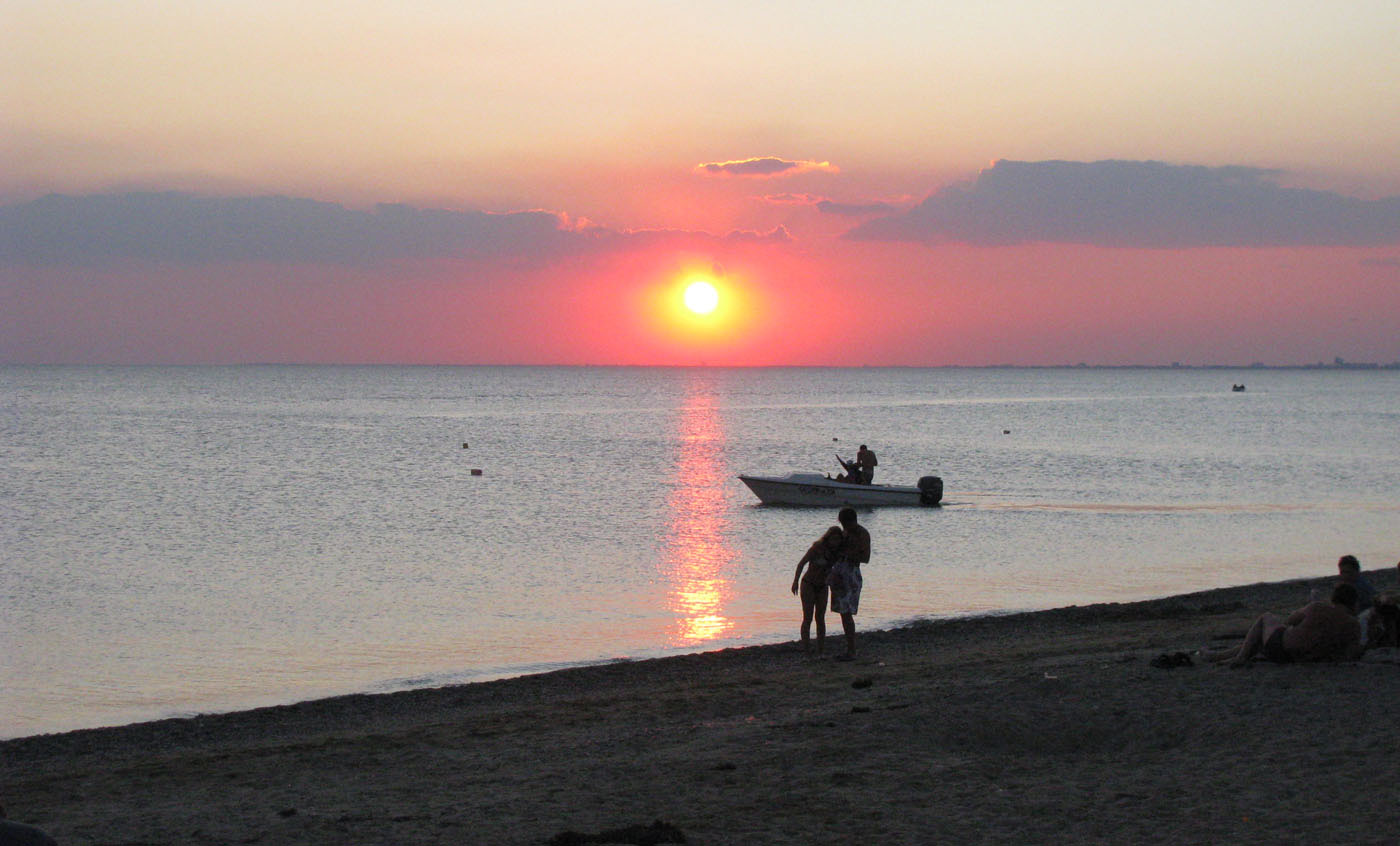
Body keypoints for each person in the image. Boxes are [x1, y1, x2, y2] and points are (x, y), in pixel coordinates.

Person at [1204, 583, 1362, 667]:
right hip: (1308, 658)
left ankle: (1239, 658)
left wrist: (1311, 606)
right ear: (1353, 603)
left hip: (1283, 649)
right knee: (1258, 639)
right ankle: (1220, 656)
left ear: (1334, 599)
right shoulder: (1354, 626)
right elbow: (1351, 654)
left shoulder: (1318, 608)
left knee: (1266, 618)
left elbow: (1290, 620)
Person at [791, 526, 844, 655]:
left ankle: (821, 650)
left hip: (823, 586)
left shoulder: (837, 553)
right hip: (808, 584)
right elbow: (801, 564)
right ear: (828, 538)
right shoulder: (817, 548)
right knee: (807, 617)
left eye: (838, 539)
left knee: (820, 618)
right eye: (833, 538)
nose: (835, 542)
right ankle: (806, 649)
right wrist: (795, 581)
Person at [827, 507, 871, 660]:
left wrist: (846, 554)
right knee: (842, 613)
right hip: (839, 573)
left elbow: (865, 557)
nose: (844, 527)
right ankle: (849, 649)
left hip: (851, 573)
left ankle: (851, 650)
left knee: (847, 612)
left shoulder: (862, 533)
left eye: (845, 523)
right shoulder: (844, 533)